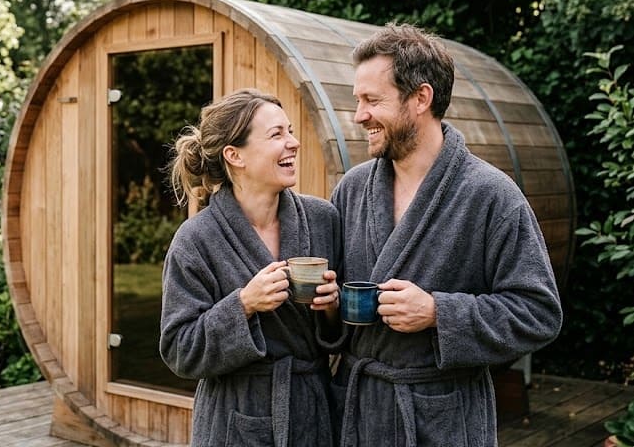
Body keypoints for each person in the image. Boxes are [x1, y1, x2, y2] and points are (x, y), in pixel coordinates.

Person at [330, 23, 563, 446]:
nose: (359, 115)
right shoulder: (352, 188)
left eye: (372, 100)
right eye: (357, 100)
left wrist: (439, 312)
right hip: (359, 411)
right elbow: (335, 315)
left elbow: (538, 314)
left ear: (421, 97)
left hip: (442, 418)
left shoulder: (491, 195)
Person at [160, 88, 342, 446]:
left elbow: (343, 337)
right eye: (277, 135)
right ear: (234, 155)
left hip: (313, 414)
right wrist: (243, 304)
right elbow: (180, 350)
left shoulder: (323, 219)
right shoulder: (197, 239)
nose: (293, 143)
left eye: (290, 131)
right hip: (233, 420)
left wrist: (333, 309)